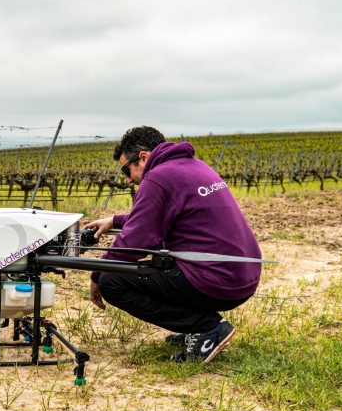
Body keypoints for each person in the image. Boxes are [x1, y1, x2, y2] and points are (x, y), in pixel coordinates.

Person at [84, 126, 262, 363]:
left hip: (219, 280)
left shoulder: (158, 177)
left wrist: (97, 275)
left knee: (113, 282)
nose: (127, 180)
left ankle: (207, 328)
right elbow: (159, 217)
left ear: (144, 157)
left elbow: (134, 243)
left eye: (126, 170)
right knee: (161, 261)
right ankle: (194, 328)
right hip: (242, 274)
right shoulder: (194, 166)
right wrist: (114, 220)